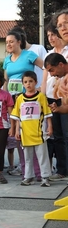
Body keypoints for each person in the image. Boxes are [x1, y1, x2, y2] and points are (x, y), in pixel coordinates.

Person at [3, 30, 43, 181]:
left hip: (29, 99)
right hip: (14, 100)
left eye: (11, 41)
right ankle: (25, 170)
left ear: (19, 41)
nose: (9, 44)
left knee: (31, 132)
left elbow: (45, 67)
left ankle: (38, 171)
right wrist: (6, 98)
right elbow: (6, 81)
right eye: (7, 42)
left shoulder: (29, 55)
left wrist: (40, 88)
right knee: (18, 135)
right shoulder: (7, 60)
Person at [10, 71, 52, 187]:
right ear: (22, 84)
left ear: (36, 82)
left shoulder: (41, 97)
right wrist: (17, 130)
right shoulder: (19, 99)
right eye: (25, 82)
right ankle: (28, 177)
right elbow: (17, 116)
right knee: (27, 157)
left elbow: (47, 113)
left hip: (39, 132)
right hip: (25, 133)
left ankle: (45, 177)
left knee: (42, 156)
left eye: (30, 81)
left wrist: (50, 126)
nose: (28, 84)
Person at [41, 22, 68, 182]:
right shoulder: (48, 56)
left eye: (53, 34)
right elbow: (45, 80)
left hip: (63, 97)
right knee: (57, 136)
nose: (51, 38)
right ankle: (62, 169)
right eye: (48, 35)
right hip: (52, 98)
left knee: (66, 134)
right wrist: (43, 99)